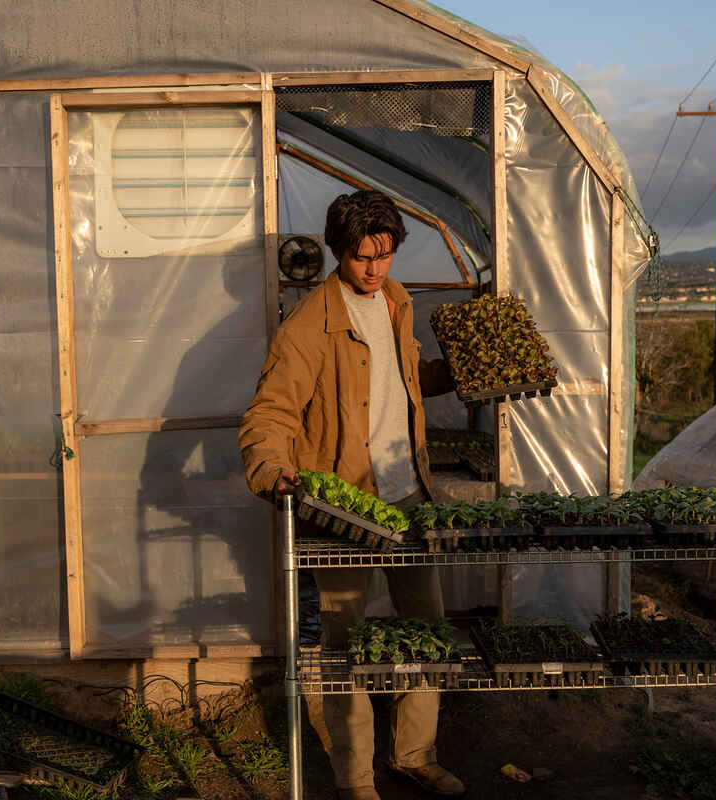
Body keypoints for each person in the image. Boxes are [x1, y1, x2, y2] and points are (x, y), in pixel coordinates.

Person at [239, 190, 464, 799]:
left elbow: (402, 378)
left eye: (385, 255)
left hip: (408, 494)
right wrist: (269, 467)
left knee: (428, 631)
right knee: (347, 647)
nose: (375, 269)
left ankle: (415, 754)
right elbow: (270, 411)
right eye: (363, 258)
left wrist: (464, 374)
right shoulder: (309, 324)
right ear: (339, 252)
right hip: (346, 508)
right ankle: (357, 780)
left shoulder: (395, 301)